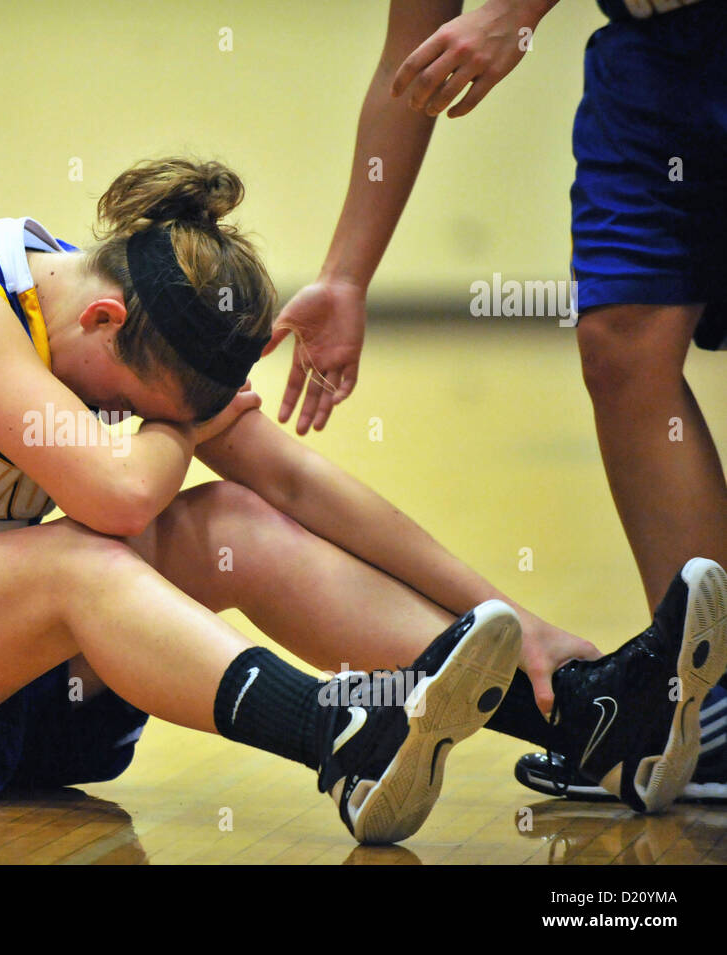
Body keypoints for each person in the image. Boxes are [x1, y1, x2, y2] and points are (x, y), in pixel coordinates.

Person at [0, 157, 726, 844]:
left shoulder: (129, 330)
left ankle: (586, 717)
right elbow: (118, 496)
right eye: (142, 406)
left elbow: (301, 486)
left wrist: (521, 622)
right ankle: (336, 736)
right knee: (90, 552)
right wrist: (173, 430)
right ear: (103, 317)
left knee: (234, 527)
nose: (152, 427)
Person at [267, 0, 727, 801]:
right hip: (651, 63)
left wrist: (515, 10)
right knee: (622, 342)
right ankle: (713, 696)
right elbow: (408, 61)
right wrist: (345, 274)